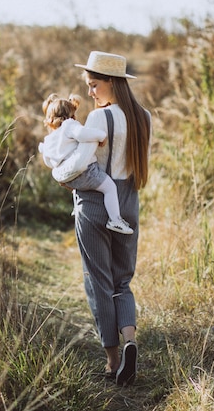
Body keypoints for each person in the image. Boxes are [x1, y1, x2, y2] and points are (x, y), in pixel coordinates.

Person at [72, 51, 152, 386]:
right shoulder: (144, 116)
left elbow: (80, 165)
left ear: (111, 83)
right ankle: (130, 338)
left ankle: (112, 360)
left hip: (94, 205)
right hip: (129, 201)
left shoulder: (97, 120)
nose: (91, 92)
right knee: (122, 282)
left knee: (98, 282)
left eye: (94, 85)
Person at [38, 93, 134, 234]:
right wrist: (101, 136)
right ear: (70, 115)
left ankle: (76, 206)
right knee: (109, 188)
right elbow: (83, 134)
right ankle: (115, 220)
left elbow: (48, 161)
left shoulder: (49, 139)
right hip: (86, 173)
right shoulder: (69, 125)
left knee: (78, 187)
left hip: (69, 180)